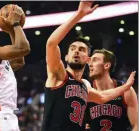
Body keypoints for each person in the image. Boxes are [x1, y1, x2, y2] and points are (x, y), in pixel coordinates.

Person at [41, 1, 136, 131]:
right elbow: (51, 43)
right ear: (66, 57)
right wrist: (79, 15)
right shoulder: (59, 74)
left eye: (81, 49)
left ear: (88, 60)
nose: (76, 51)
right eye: (73, 48)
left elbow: (103, 97)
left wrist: (125, 87)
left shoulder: (85, 85)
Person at [85, 49, 138, 131]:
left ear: (106, 65)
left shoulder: (127, 91)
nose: (90, 64)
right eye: (90, 61)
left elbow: (136, 126)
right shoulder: (86, 89)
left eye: (94, 60)